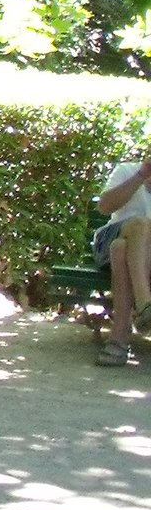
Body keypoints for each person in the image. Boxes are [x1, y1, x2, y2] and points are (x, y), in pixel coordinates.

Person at [96, 153, 151, 366]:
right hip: (110, 240)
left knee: (121, 249)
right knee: (139, 225)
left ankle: (118, 339)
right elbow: (104, 207)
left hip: (143, 255)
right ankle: (144, 303)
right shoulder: (127, 170)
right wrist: (140, 176)